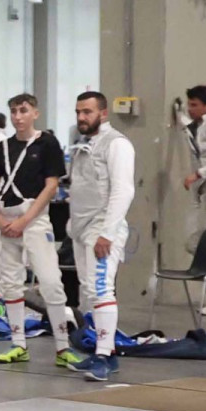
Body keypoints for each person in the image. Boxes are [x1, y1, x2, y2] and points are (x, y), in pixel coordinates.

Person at [0, 93, 73, 364]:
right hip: (5, 219)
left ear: (35, 112)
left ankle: (62, 347)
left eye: (23, 111)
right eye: (13, 111)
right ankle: (18, 343)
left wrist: (25, 221)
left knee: (50, 280)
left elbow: (51, 186)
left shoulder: (47, 143)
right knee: (10, 283)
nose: (17, 117)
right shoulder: (3, 148)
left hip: (33, 219)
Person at [66, 91, 134, 381]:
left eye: (88, 112)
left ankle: (103, 358)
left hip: (103, 230)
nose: (82, 117)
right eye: (79, 112)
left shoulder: (117, 143)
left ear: (103, 113)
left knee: (102, 289)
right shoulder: (83, 143)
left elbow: (123, 190)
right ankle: (106, 352)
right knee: (91, 292)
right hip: (82, 229)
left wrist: (107, 233)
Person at [183, 87, 206, 297]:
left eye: (194, 105)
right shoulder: (197, 127)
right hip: (205, 193)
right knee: (194, 243)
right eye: (189, 104)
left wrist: (198, 174)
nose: (190, 109)